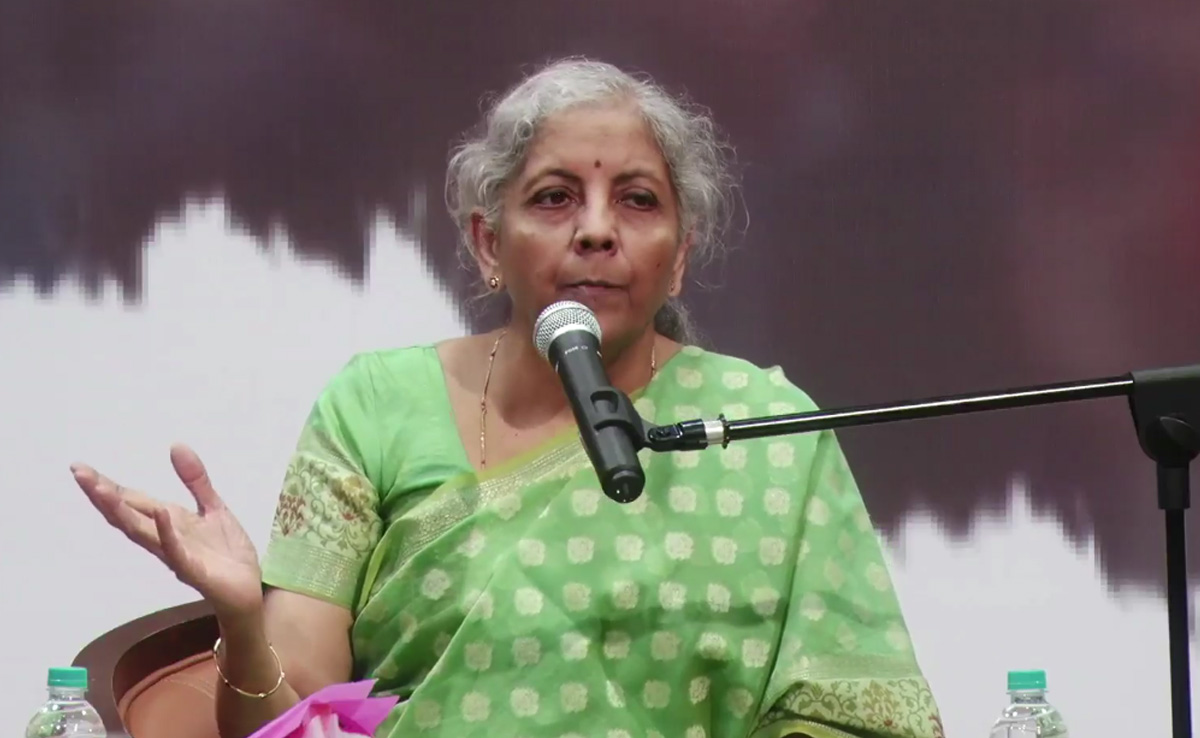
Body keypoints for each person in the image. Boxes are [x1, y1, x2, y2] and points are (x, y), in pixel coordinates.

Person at [72, 57, 944, 738]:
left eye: (637, 201)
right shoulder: (374, 406)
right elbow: (291, 724)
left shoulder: (765, 429)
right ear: (489, 244)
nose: (596, 229)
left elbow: (850, 714)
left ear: (679, 256)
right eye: (555, 198)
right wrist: (241, 620)